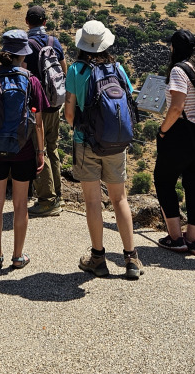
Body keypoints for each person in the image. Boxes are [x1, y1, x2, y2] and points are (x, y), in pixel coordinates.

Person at [65, 20, 143, 280]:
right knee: (120, 199)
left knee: (92, 202)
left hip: (86, 142)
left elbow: (69, 113)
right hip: (116, 144)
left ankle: (98, 258)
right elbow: (129, 103)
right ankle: (131, 259)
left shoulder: (76, 70)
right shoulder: (117, 68)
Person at [0, 30, 48, 269]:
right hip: (23, 149)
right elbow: (38, 122)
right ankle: (18, 256)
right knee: (20, 204)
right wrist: (40, 152)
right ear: (23, 55)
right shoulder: (31, 80)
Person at [153, 29, 195, 256]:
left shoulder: (179, 71)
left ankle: (175, 238)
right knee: (194, 184)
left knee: (163, 180)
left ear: (174, 47)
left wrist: (162, 130)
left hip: (181, 132)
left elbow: (177, 107)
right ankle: (193, 240)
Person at [25, 6, 67, 218]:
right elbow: (64, 70)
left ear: (27, 22)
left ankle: (46, 201)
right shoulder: (54, 42)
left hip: (36, 106)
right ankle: (57, 195)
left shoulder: (26, 45)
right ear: (44, 22)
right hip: (55, 103)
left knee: (38, 150)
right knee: (53, 147)